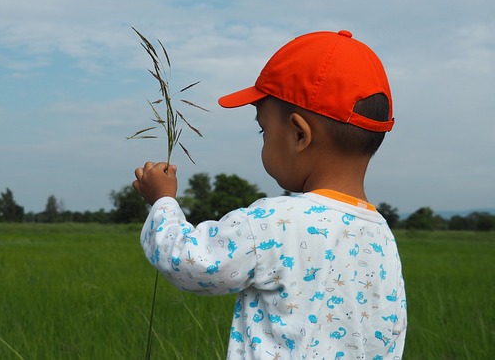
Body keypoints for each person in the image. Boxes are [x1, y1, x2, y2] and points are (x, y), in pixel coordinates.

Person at [133, 30, 407, 359]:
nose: (262, 138)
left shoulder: (271, 222)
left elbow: (190, 263)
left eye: (263, 128)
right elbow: (390, 339)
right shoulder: (382, 236)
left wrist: (163, 202)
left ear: (298, 134)